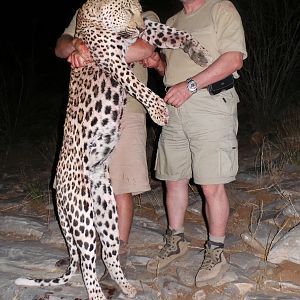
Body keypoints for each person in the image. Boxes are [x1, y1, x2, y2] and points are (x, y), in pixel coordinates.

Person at [143, 0, 247, 287]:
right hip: (174, 107)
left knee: (211, 184)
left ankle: (216, 251)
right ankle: (175, 241)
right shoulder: (172, 22)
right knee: (173, 179)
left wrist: (190, 85)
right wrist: (156, 64)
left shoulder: (220, 9)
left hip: (210, 104)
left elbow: (234, 59)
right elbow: (170, 71)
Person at [54, 10, 160, 267]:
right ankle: (85, 247)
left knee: (120, 185)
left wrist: (90, 54)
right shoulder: (87, 13)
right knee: (82, 183)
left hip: (125, 110)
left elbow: (143, 49)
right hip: (84, 112)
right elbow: (60, 46)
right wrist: (77, 45)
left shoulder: (146, 15)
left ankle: (117, 254)